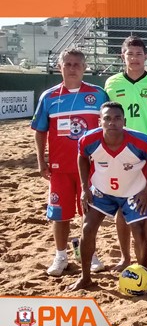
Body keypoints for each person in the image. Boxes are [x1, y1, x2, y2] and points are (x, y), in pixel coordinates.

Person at [31, 48, 109, 277]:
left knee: (90, 213)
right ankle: (61, 255)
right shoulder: (49, 96)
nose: (72, 68)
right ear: (60, 67)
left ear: (85, 68)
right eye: (68, 64)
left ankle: (90, 253)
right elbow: (40, 131)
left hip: (90, 167)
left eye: (77, 64)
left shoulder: (98, 94)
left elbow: (110, 129)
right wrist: (40, 160)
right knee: (60, 214)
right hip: (60, 167)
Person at [69, 102, 147, 290]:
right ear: (100, 121)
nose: (112, 122)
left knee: (140, 233)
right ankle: (85, 277)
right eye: (107, 118)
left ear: (124, 121)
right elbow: (82, 156)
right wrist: (85, 188)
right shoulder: (88, 140)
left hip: (133, 192)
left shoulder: (140, 142)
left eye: (117, 118)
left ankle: (142, 277)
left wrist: (146, 191)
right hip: (103, 191)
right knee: (87, 229)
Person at [104, 36, 147, 272]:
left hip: (146, 152)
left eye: (139, 54)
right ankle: (125, 257)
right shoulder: (111, 83)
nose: (135, 58)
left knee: (144, 204)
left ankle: (143, 255)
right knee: (121, 206)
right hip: (117, 152)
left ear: (146, 56)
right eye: (130, 54)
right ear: (123, 56)